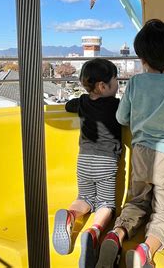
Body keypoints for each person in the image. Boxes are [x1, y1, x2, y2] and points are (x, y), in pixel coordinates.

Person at [96, 19, 164, 268]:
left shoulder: (134, 82)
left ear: (142, 57)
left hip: (141, 153)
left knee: (136, 202)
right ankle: (146, 251)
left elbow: (121, 117)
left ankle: (116, 235)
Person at [52, 58, 122, 268]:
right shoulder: (116, 105)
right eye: (116, 79)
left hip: (84, 160)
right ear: (103, 86)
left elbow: (67, 105)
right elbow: (129, 116)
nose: (118, 83)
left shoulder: (82, 101)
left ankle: (71, 216)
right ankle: (93, 233)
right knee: (105, 204)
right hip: (106, 162)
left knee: (84, 198)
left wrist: (83, 100)